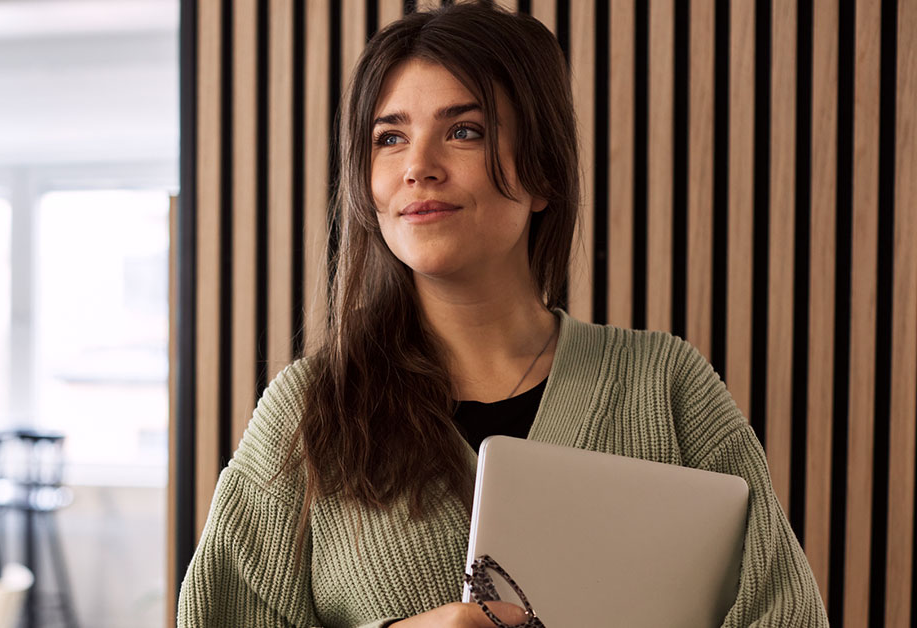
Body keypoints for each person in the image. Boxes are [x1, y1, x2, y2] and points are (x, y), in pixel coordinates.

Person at [177, 3, 829, 627]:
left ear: (543, 174)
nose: (418, 168)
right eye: (389, 138)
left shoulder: (668, 385)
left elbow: (785, 614)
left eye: (465, 131)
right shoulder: (309, 410)